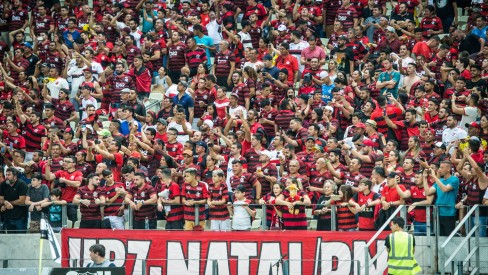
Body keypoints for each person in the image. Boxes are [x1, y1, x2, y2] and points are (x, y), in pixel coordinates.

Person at [0, 168, 28, 233]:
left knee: (21, 238)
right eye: (6, 175)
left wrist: (8, 203)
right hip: (8, 217)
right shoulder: (3, 184)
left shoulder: (21, 184)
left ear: (15, 176)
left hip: (20, 217)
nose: (6, 177)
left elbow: (22, 201)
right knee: (11, 238)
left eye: (9, 175)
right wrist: (5, 202)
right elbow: (0, 199)